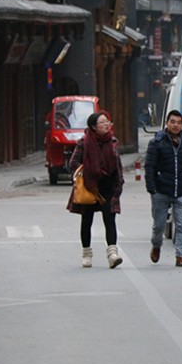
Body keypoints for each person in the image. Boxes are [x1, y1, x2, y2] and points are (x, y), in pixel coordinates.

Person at [67, 111, 124, 269]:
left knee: (110, 219)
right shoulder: (84, 142)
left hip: (107, 186)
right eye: (102, 122)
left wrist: (119, 184)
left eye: (107, 121)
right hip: (89, 186)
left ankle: (112, 255)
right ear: (93, 127)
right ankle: (87, 254)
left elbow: (117, 165)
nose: (107, 124)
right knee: (87, 220)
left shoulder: (112, 141)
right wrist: (89, 171)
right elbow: (73, 163)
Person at [145, 110, 182, 267]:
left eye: (179, 122)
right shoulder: (157, 142)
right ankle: (156, 245)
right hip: (161, 190)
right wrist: (152, 188)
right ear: (167, 123)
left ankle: (181, 256)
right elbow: (149, 167)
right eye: (173, 122)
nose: (176, 125)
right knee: (159, 225)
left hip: (181, 190)